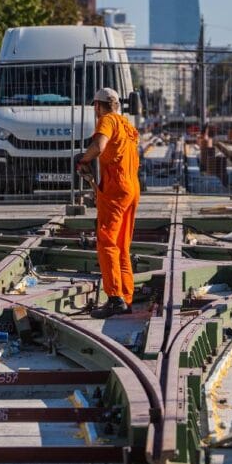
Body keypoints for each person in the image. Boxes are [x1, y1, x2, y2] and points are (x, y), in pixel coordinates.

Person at [76, 87, 141, 319]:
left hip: (116, 189)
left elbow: (100, 145)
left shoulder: (107, 121)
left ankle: (114, 297)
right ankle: (126, 296)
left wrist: (83, 158)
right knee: (122, 245)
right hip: (132, 188)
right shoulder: (127, 125)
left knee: (106, 242)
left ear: (98, 106)